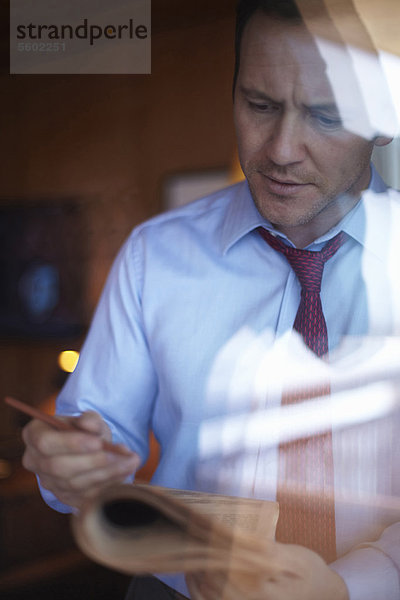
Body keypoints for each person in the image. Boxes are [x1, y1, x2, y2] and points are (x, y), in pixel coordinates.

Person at [22, 1, 400, 599]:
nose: (280, 149)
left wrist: (348, 587)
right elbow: (94, 435)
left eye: (326, 117)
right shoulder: (154, 255)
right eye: (260, 105)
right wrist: (67, 464)